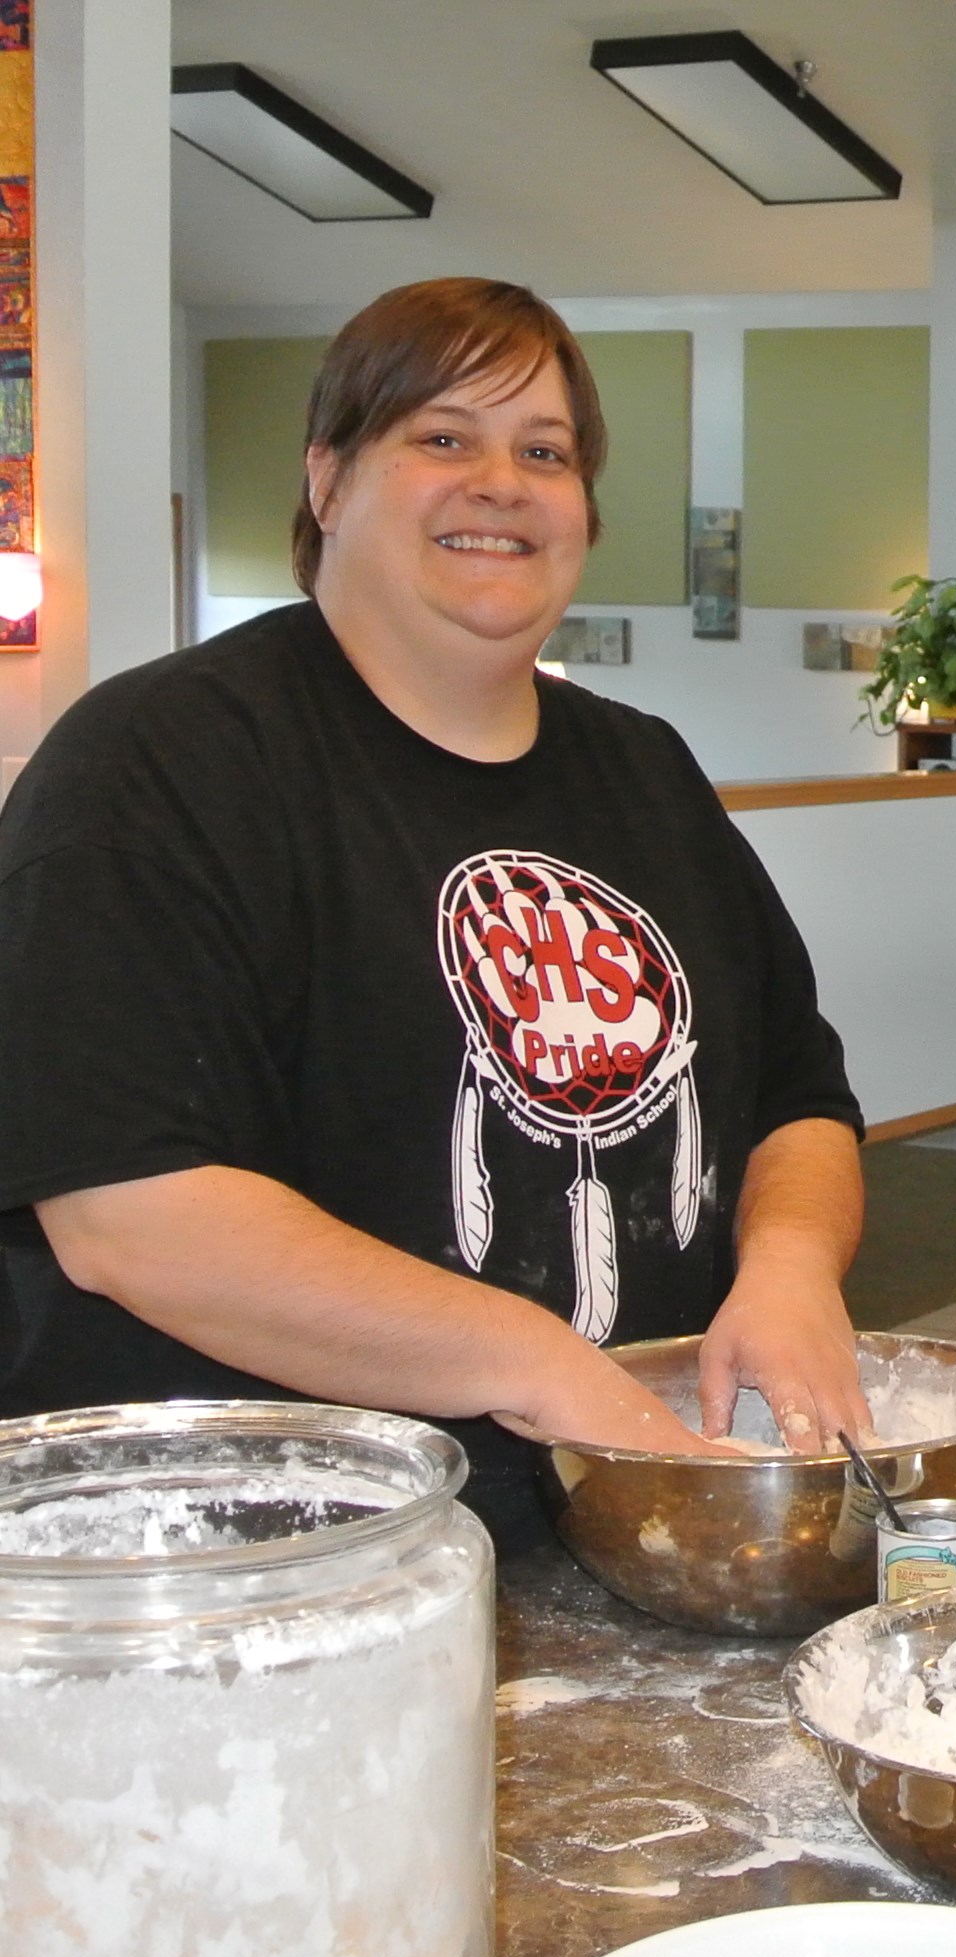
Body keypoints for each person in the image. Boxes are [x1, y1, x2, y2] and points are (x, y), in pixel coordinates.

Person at [0, 278, 875, 1544]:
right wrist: (542, 1364)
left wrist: (792, 1266)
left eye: (546, 451)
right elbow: (136, 1215)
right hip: (268, 1557)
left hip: (618, 1512)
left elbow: (797, 1094)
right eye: (443, 437)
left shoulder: (646, 771)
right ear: (328, 479)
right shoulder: (162, 761)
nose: (502, 483)